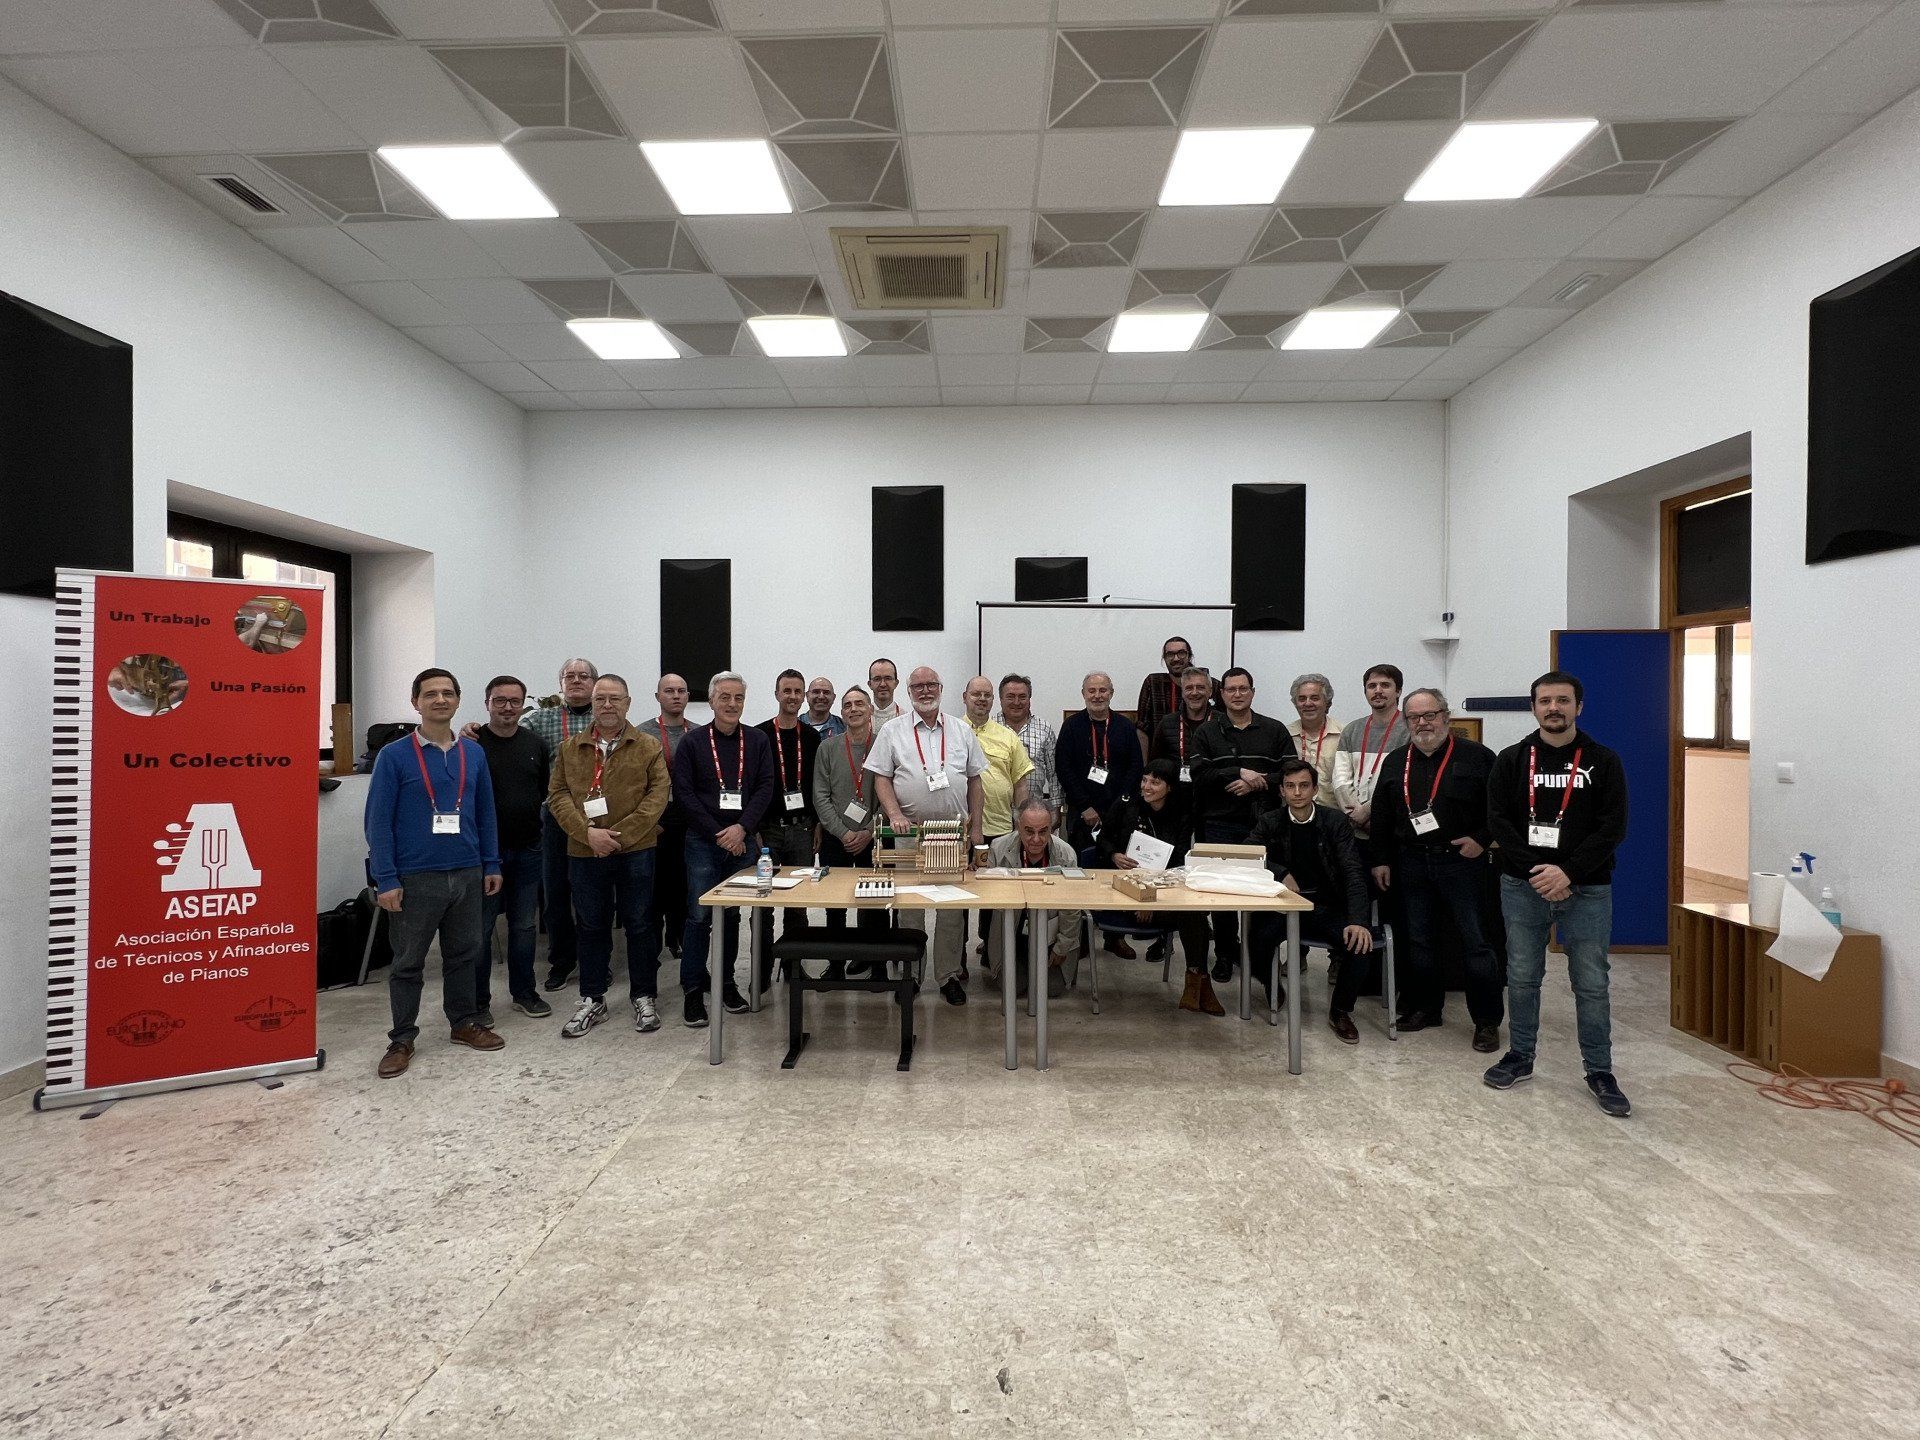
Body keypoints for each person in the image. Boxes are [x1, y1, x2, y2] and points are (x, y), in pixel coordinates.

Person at [1484, 671, 1632, 1117]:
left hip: (1587, 887)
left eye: (1563, 700)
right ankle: (1520, 1056)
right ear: (1533, 707)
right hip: (1523, 885)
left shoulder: (1603, 761)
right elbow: (1498, 821)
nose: (1554, 708)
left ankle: (1600, 1070)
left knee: (1591, 982)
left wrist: (1567, 871)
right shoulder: (1511, 760)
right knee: (1522, 975)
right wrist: (1538, 872)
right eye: (1545, 700)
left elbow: (1612, 827)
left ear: (1578, 707)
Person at [365, 668, 504, 1078]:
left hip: (467, 872)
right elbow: (377, 822)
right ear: (416, 703)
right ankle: (401, 1039)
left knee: (464, 955)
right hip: (415, 877)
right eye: (430, 694)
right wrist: (386, 878)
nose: (440, 700)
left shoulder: (474, 754)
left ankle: (463, 1023)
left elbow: (485, 813)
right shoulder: (393, 756)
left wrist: (491, 862)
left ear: (458, 700)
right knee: (408, 962)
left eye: (447, 693)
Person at [1367, 688, 1504, 1051]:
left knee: (1476, 942)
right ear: (1406, 721)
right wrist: (1380, 859)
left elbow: (1501, 809)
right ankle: (1426, 1009)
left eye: (1430, 715)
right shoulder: (1396, 761)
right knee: (1419, 939)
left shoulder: (1478, 756)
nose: (1423, 723)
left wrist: (1481, 839)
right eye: (1414, 717)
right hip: (1411, 861)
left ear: (1445, 716)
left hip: (1462, 862)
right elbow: (1382, 814)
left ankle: (1486, 1021)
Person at [548, 675, 671, 1038]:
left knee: (640, 924)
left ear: (628, 703)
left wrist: (617, 837)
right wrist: (587, 834)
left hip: (636, 851)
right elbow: (557, 795)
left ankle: (644, 996)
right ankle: (592, 999)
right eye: (600, 698)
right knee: (590, 925)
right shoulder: (570, 748)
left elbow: (658, 795)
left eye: (615, 699)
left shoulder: (648, 746)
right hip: (584, 850)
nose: (607, 705)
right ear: (592, 702)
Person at [866, 667, 986, 1005]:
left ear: (941, 688)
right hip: (910, 833)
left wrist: (976, 829)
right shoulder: (892, 730)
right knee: (910, 907)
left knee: (950, 910)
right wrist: (894, 814)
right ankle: (911, 975)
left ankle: (948, 976)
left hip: (952, 834)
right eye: (917, 686)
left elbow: (975, 780)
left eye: (931, 684)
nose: (925, 690)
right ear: (909, 691)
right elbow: (881, 778)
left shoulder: (961, 730)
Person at [671, 671, 775, 1028]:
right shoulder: (692, 742)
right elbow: (684, 794)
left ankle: (726, 983)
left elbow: (765, 788)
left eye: (738, 698)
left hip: (742, 841)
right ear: (712, 701)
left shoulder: (757, 740)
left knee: (731, 916)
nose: (732, 704)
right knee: (699, 917)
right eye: (725, 697)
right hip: (704, 842)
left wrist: (742, 828)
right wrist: (719, 833)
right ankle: (692, 990)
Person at [1244, 759, 1374, 1038]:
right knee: (1255, 941)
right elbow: (1248, 856)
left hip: (1325, 906)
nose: (1297, 792)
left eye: (1304, 786)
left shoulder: (1335, 821)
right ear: (1281, 791)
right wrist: (1280, 872)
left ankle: (1340, 1010)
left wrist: (1358, 920)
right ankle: (1271, 984)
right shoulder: (1270, 821)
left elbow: (1352, 871)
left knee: (1360, 946)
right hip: (1282, 905)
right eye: (1290, 786)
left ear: (1315, 789)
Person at [1188, 666, 1296, 983]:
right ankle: (1225, 953)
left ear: (1252, 692)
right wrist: (1237, 772)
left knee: (1262, 890)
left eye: (1243, 689)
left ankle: (1258, 955)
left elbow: (1291, 774)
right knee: (1221, 893)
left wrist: (1257, 782)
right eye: (1231, 689)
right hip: (1218, 824)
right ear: (1221, 694)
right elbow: (1199, 776)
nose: (1237, 694)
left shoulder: (1274, 730)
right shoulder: (1207, 732)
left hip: (1264, 825)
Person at [1096, 759, 1216, 1014]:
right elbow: (1103, 838)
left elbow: (1179, 859)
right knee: (1193, 917)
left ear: (1169, 787)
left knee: (1194, 913)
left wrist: (1151, 896)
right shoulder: (1127, 805)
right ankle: (1200, 985)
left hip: (1164, 893)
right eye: (1144, 780)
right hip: (1124, 892)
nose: (1146, 786)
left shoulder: (1182, 814)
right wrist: (1114, 855)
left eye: (1155, 782)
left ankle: (1196, 981)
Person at [473, 674, 551, 1023]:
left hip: (529, 850)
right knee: (481, 930)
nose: (507, 707)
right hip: (484, 855)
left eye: (515, 701)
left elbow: (543, 791)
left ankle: (524, 993)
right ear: (487, 703)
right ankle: (478, 1003)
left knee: (523, 927)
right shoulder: (473, 744)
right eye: (500, 700)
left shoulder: (536, 744)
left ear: (522, 705)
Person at [521, 658, 599, 992]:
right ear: (561, 683)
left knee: (592, 894)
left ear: (595, 683)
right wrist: (472, 730)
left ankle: (595, 962)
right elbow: (504, 733)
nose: (577, 680)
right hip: (554, 817)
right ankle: (562, 961)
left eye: (584, 676)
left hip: (597, 816)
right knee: (555, 894)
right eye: (570, 676)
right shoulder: (540, 719)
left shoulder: (606, 718)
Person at [986, 798, 1083, 1000]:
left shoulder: (1066, 854)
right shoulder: (998, 848)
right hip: (1012, 935)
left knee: (1050, 989)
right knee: (1014, 987)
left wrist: (1062, 946)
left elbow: (1071, 907)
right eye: (1029, 831)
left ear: (1051, 828)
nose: (1036, 839)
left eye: (1043, 831)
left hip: (1051, 937)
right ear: (1018, 827)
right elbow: (992, 899)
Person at [756, 668, 823, 952]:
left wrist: (818, 823)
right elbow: (753, 786)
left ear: (804, 696)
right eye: (787, 691)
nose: (792, 696)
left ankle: (794, 966)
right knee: (763, 903)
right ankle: (762, 968)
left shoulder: (811, 737)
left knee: (798, 903)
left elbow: (817, 784)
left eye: (797, 691)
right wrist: (754, 829)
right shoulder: (759, 735)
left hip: (803, 829)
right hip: (769, 830)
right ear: (777, 694)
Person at [812, 684, 884, 937]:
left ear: (870, 710)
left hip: (873, 838)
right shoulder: (827, 748)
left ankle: (873, 957)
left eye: (859, 704)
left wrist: (868, 831)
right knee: (835, 905)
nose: (853, 709)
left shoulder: (884, 746)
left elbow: (890, 799)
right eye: (847, 705)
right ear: (841, 713)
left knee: (875, 904)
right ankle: (836, 957)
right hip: (836, 838)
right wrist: (843, 833)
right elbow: (820, 796)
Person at [636, 674, 693, 962]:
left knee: (683, 883)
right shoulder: (641, 734)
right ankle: (652, 946)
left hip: (688, 820)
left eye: (681, 691)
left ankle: (678, 937)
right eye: (669, 691)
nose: (676, 695)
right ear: (657, 696)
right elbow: (633, 783)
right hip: (654, 821)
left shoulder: (697, 733)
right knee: (655, 886)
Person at [1057, 671, 1142, 855]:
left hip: (1120, 813)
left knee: (1119, 862)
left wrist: (1120, 805)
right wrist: (1084, 806)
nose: (1097, 696)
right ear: (1083, 693)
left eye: (1103, 690)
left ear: (1111, 693)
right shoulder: (1071, 726)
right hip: (1082, 814)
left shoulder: (1125, 726)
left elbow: (1135, 767)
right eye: (1092, 691)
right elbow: (1064, 768)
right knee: (1083, 863)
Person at [1333, 663, 1407, 836]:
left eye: (1385, 685)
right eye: (1372, 686)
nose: (1378, 691)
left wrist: (1368, 812)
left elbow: (1401, 781)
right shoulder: (1352, 730)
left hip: (1393, 827)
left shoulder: (1409, 729)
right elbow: (1340, 779)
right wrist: (1356, 815)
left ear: (1398, 691)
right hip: (1355, 827)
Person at [1133, 636, 1220, 760]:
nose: (1176, 658)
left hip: (1207, 758)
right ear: (1164, 658)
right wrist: (1145, 767)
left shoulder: (1212, 684)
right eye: (1170, 654)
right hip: (1164, 759)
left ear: (1189, 656)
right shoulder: (1153, 683)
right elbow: (1142, 728)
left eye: (1181, 653)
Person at [997, 674, 1060, 820]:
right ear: (1000, 699)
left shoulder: (1044, 728)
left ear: (1029, 699)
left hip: (1033, 814)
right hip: (996, 814)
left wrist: (1056, 808)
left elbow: (1054, 774)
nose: (1016, 702)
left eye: (1022, 697)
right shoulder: (990, 727)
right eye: (1010, 697)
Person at [1149, 666, 1222, 786]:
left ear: (1210, 691)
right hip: (1176, 791)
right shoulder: (1166, 723)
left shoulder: (1222, 722)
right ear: (1182, 692)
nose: (1194, 692)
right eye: (1189, 688)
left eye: (1200, 687)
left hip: (1213, 789)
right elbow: (1155, 763)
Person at [1287, 673, 1341, 808]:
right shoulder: (1284, 735)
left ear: (1327, 702)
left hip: (1334, 814)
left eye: (1315, 698)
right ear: (1295, 704)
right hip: (1293, 815)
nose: (1308, 703)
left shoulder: (1344, 735)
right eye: (1302, 699)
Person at [868, 657, 902, 724]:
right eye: (877, 679)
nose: (883, 684)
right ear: (870, 684)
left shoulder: (906, 719)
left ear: (896, 683)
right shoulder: (862, 718)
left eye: (888, 678)